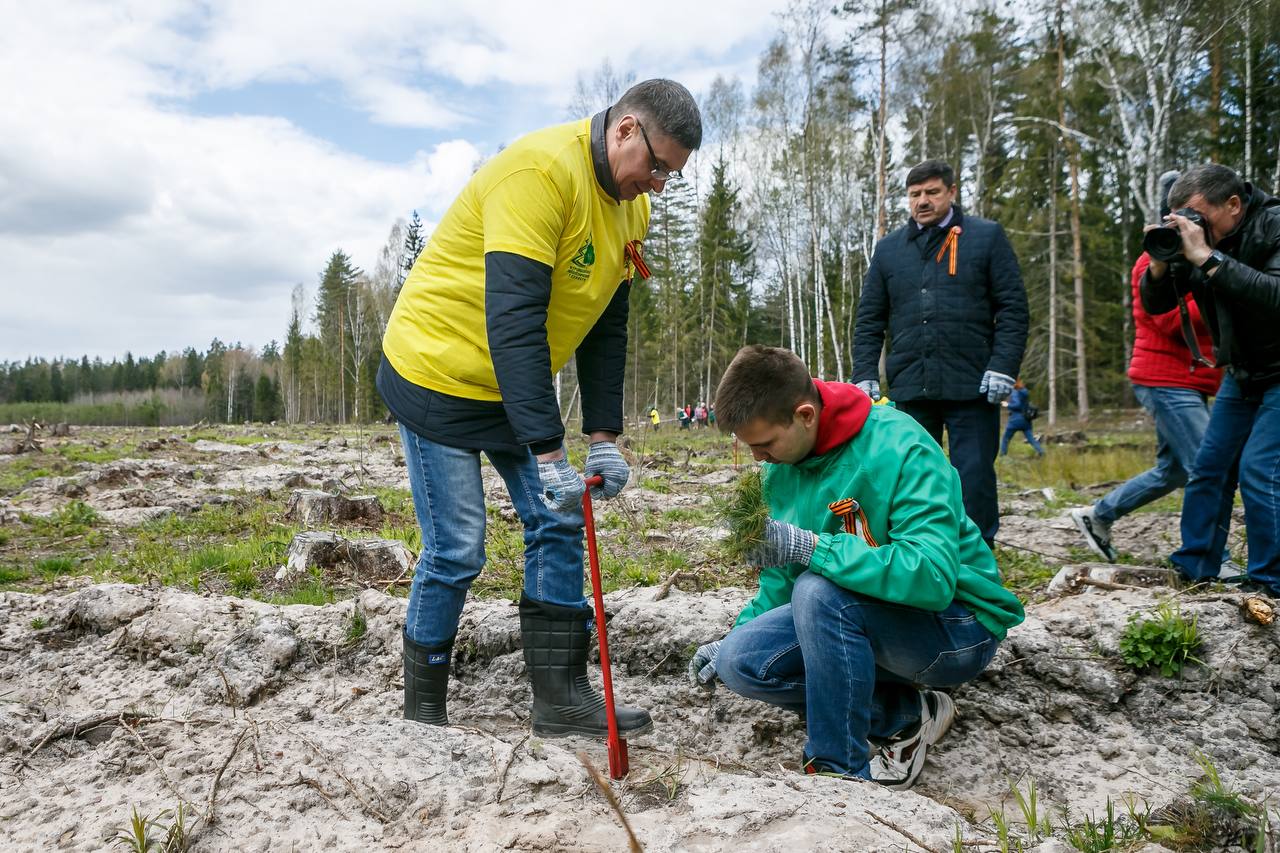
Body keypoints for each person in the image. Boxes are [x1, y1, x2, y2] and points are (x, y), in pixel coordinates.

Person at [377, 79, 702, 732]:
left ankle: (559, 699)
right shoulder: (539, 173)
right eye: (657, 166)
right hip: (439, 372)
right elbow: (515, 319)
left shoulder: (631, 207)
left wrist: (604, 434)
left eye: (672, 174)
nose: (660, 184)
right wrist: (550, 448)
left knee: (558, 519)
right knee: (459, 546)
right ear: (625, 130)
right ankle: (422, 714)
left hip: (511, 384)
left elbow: (608, 324)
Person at [690, 345, 1025, 788]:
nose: (758, 458)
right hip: (856, 614)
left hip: (955, 627)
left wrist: (813, 548)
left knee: (818, 591)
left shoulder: (901, 445)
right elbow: (780, 579)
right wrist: (733, 637)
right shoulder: (780, 469)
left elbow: (933, 577)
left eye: (765, 443)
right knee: (743, 662)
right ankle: (905, 718)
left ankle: (838, 771)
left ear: (805, 415)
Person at [851, 160, 1028, 547]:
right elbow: (869, 318)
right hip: (912, 386)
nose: (923, 201)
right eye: (915, 194)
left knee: (974, 473)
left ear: (951, 191)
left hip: (973, 385)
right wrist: (864, 372)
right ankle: (920, 546)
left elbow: (1013, 309)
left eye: (932, 192)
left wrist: (1002, 367)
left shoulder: (986, 237)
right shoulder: (889, 250)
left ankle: (976, 556)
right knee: (912, 472)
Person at [1140, 164, 1280, 595]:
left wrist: (1208, 258)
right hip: (1243, 371)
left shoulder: (1273, 224)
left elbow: (1275, 294)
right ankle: (1197, 565)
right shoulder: (1197, 240)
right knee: (1209, 467)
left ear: (1234, 205)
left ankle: (1270, 581)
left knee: (1260, 469)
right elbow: (1155, 305)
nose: (1190, 226)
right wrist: (1161, 263)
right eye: (1181, 217)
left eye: (1197, 215)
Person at [1071, 173, 1224, 562]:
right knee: (1209, 468)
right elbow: (1171, 321)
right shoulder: (1152, 260)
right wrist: (1224, 287)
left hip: (1188, 380)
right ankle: (1211, 559)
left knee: (1172, 471)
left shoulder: (1205, 259)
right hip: (1165, 379)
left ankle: (1098, 515)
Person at [1000, 380, 1044, 458]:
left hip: (1015, 420)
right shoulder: (1024, 391)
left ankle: (1003, 456)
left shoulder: (1015, 392)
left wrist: (1007, 405)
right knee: (1031, 439)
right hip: (1026, 420)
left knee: (1005, 438)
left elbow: (1017, 405)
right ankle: (1041, 452)